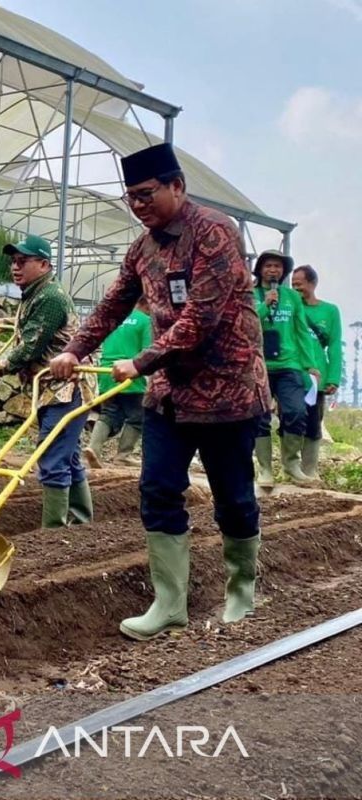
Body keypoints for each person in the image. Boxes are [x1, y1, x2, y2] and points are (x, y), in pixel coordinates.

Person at [49, 142, 270, 640]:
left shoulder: (215, 232)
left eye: (147, 193)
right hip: (171, 393)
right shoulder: (143, 248)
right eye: (130, 197)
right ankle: (170, 603)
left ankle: (241, 592)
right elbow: (113, 303)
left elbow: (201, 318)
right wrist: (76, 349)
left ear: (177, 186)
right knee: (157, 489)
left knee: (233, 498)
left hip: (227, 393)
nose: (139, 204)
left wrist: (141, 361)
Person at [0, 234, 93, 530]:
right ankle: (82, 523)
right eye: (13, 262)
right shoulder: (35, 293)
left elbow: (31, 346)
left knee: (52, 456)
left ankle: (53, 534)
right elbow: (35, 329)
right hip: (50, 388)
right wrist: (3, 323)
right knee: (67, 455)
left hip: (65, 389)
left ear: (43, 264)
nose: (15, 267)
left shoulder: (50, 297)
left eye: (23, 261)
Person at [252, 250, 320, 487]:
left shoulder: (292, 297)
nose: (274, 270)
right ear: (260, 269)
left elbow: (302, 332)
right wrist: (263, 306)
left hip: (289, 365)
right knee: (259, 417)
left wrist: (310, 364)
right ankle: (265, 470)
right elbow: (244, 323)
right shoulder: (250, 294)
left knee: (296, 412)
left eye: (278, 267)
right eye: (269, 265)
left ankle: (291, 464)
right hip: (258, 364)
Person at [85, 297, 152, 469]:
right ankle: (123, 456)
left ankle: (94, 448)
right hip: (130, 374)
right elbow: (148, 352)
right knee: (137, 416)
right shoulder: (145, 321)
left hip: (107, 372)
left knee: (108, 413)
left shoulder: (116, 319)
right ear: (148, 303)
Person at [290, 265, 341, 481]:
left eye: (299, 284)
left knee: (312, 423)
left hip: (316, 379)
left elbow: (335, 345)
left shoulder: (329, 311)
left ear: (312, 284)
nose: (296, 289)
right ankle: (291, 468)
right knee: (290, 419)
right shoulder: (290, 308)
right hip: (291, 374)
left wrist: (333, 378)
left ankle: (309, 471)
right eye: (293, 285)